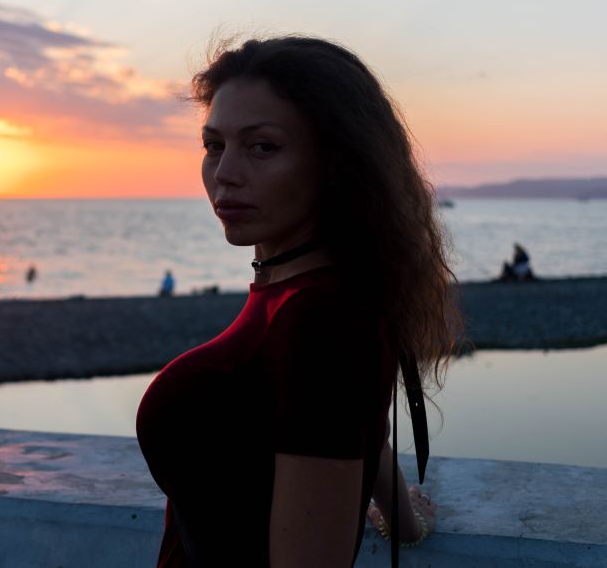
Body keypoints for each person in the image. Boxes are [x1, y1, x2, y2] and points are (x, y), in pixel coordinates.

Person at [135, 36, 463, 567]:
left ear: (336, 165)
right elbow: (347, 422)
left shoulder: (322, 320)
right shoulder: (303, 292)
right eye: (214, 145)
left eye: (262, 146)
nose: (224, 174)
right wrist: (403, 515)